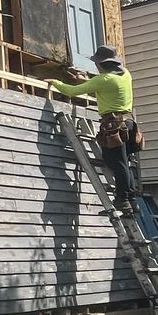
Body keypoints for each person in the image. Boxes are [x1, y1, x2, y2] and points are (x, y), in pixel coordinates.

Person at [49, 45, 140, 211]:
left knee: (116, 162)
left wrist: (55, 82)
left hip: (114, 125)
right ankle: (132, 200)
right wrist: (88, 80)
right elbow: (106, 87)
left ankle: (123, 200)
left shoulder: (103, 80)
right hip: (128, 123)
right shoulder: (125, 74)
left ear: (102, 64)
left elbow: (72, 91)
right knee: (124, 163)